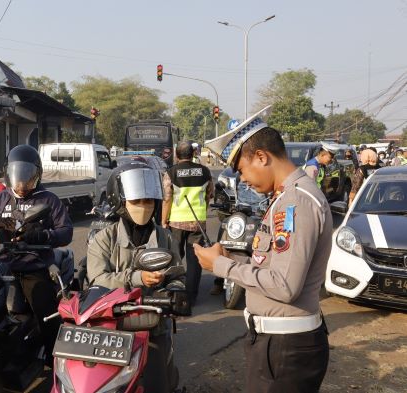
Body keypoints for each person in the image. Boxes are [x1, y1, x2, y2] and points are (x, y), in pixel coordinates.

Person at [195, 106, 331, 393]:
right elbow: (273, 263)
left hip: (286, 348)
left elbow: (284, 286)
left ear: (262, 157)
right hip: (276, 344)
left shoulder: (296, 202)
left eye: (241, 169)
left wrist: (220, 267)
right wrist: (229, 257)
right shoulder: (284, 198)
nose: (242, 179)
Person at [87, 161, 176, 393]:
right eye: (136, 201)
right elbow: (97, 279)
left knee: (160, 385)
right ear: (120, 202)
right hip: (111, 325)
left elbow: (178, 275)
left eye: (148, 201)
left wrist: (173, 293)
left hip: (152, 322)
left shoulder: (164, 237)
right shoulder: (104, 238)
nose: (143, 207)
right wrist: (137, 278)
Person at [0, 144, 73, 367]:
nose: (22, 185)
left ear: (37, 175)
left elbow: (66, 232)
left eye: (27, 178)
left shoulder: (48, 199)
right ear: (9, 174)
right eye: (18, 177)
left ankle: (56, 364)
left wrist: (43, 235)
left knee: (47, 316)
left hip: (34, 265)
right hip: (2, 266)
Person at [161, 140, 213, 306]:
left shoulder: (171, 172)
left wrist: (163, 220)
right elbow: (208, 195)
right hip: (198, 222)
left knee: (175, 258)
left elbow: (167, 199)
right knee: (194, 260)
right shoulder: (205, 172)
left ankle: (174, 293)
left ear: (176, 155)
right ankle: (191, 297)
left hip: (176, 222)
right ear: (193, 154)